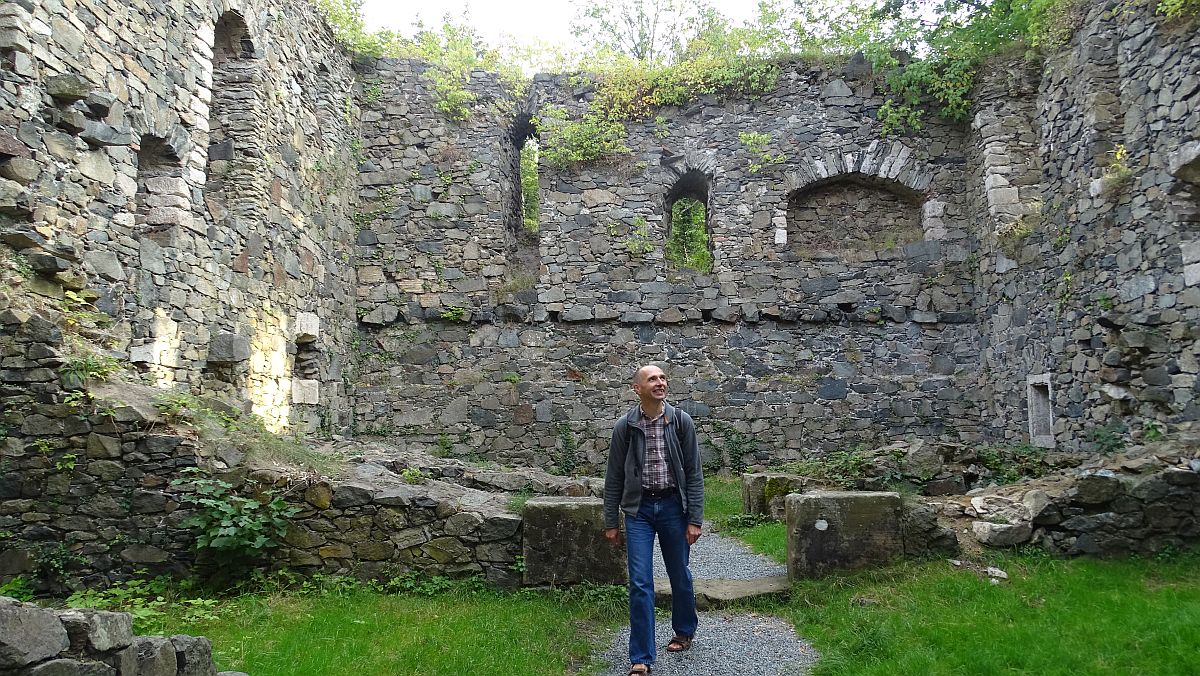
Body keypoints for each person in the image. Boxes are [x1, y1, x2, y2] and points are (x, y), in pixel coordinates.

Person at [604, 364, 704, 676]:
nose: (660, 383)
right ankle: (641, 657)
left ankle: (684, 630)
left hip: (674, 507)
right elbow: (613, 477)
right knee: (640, 582)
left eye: (662, 378)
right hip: (639, 511)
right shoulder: (625, 426)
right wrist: (611, 521)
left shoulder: (681, 421)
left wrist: (695, 519)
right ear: (637, 388)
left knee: (679, 573)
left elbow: (694, 473)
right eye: (652, 379)